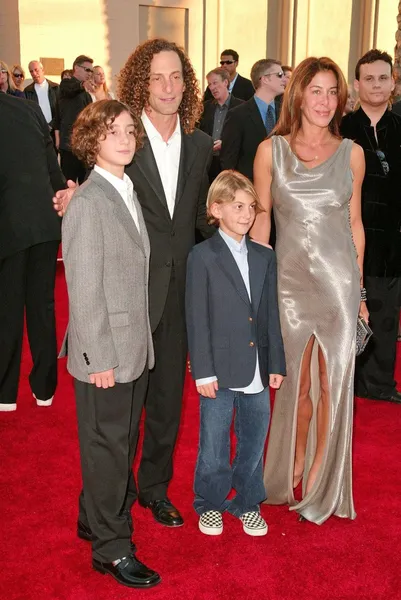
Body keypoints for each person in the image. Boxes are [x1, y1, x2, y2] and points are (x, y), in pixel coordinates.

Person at [53, 39, 214, 529]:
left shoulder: (202, 144)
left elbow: (201, 220)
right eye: (156, 77)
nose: (167, 87)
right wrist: (70, 196)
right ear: (141, 82)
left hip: (179, 292)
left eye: (175, 77)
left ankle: (154, 489)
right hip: (126, 297)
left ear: (186, 84)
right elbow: (93, 190)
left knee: (167, 404)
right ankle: (108, 501)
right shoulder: (123, 137)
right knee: (118, 416)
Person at [251, 56, 367, 524]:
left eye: (332, 92)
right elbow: (261, 223)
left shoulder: (351, 153)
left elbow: (355, 225)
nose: (325, 100)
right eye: (316, 90)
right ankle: (291, 464)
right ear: (297, 93)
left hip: (339, 283)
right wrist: (252, 292)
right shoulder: (270, 151)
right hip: (289, 284)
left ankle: (320, 476)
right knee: (295, 385)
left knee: (331, 383)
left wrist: (359, 296)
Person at [60, 99, 160, 589]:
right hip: (105, 351)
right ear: (91, 141)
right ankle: (111, 548)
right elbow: (82, 286)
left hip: (134, 344)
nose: (125, 138)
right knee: (109, 448)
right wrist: (97, 356)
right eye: (112, 131)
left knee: (119, 444)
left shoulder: (126, 189)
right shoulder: (89, 201)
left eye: (128, 130)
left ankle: (92, 515)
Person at [186, 170, 285, 537]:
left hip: (258, 367)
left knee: (254, 437)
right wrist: (202, 371)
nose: (246, 214)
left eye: (251, 207)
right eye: (237, 206)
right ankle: (209, 503)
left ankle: (246, 501)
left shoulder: (263, 256)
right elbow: (197, 317)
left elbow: (270, 313)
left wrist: (276, 361)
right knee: (213, 440)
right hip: (218, 368)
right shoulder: (202, 256)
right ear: (216, 209)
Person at [341, 49, 401, 404]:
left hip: (394, 241)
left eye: (383, 77)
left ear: (392, 82)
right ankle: (348, 380)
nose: (376, 85)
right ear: (357, 84)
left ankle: (379, 384)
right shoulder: (342, 130)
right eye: (369, 78)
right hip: (348, 236)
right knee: (349, 310)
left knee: (387, 312)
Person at [0, 92, 65, 411]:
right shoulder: (29, 109)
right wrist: (62, 199)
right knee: (42, 306)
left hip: (10, 224)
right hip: (44, 221)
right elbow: (51, 164)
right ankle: (45, 389)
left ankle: (5, 394)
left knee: (7, 308)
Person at [220, 58, 285, 181]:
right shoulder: (238, 115)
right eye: (279, 75)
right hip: (250, 189)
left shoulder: (285, 113)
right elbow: (228, 161)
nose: (284, 79)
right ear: (264, 79)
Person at [198, 67, 243, 182]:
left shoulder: (241, 107)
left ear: (225, 82)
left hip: (231, 164)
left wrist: (226, 143)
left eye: (215, 83)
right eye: (209, 84)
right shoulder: (205, 108)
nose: (212, 87)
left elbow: (244, 136)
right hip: (208, 162)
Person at [59, 54, 95, 183]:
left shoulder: (86, 93)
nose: (90, 74)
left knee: (85, 184)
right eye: (87, 70)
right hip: (69, 146)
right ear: (76, 68)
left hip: (83, 146)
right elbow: (70, 89)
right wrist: (83, 85)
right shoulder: (66, 84)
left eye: (92, 71)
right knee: (68, 184)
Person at [25, 60, 60, 149]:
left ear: (42, 70)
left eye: (36, 70)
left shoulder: (55, 88)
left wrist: (51, 125)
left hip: (53, 132)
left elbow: (60, 110)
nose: (34, 73)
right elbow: (28, 113)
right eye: (31, 71)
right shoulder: (28, 91)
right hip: (37, 132)